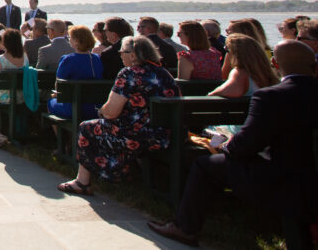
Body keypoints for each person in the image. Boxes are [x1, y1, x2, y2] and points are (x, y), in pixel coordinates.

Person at [148, 41, 318, 246]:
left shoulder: (271, 97)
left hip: (282, 176)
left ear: (274, 62)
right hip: (305, 173)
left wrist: (225, 147)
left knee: (205, 165)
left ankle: (185, 227)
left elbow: (246, 146)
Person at [57, 35, 179, 196]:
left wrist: (101, 111)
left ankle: (83, 182)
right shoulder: (164, 73)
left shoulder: (129, 74)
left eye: (122, 52)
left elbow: (111, 112)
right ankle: (120, 171)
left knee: (87, 127)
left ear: (133, 55)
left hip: (135, 136)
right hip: (163, 134)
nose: (120, 55)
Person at [47, 25, 103, 120]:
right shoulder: (97, 59)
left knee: (50, 102)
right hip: (94, 108)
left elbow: (59, 86)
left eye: (70, 38)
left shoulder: (67, 59)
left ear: (76, 41)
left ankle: (62, 135)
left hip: (73, 107)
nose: (69, 40)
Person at [208, 34, 278, 100]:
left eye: (226, 49)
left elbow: (226, 91)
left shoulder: (240, 73)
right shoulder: (268, 73)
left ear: (234, 53)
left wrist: (211, 93)